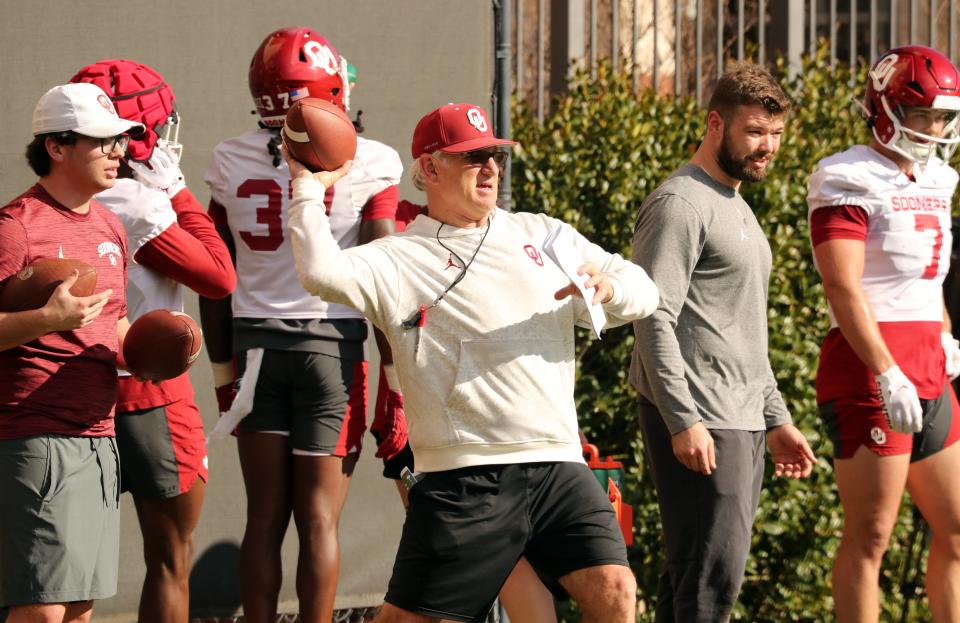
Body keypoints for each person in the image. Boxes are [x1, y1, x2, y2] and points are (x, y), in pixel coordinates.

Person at [285, 101, 660, 623]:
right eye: (471, 157)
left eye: (493, 155)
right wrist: (306, 185)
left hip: (558, 461)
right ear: (429, 169)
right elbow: (319, 272)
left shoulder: (541, 233)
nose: (490, 168)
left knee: (615, 588)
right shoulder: (399, 258)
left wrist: (611, 286)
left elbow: (646, 289)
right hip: (466, 474)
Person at [196, 27, 401, 623]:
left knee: (263, 517)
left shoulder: (229, 157)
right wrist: (395, 373)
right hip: (332, 350)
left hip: (255, 349)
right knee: (319, 520)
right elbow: (384, 264)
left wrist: (221, 373)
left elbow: (216, 275)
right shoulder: (373, 158)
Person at [629, 61, 816, 622]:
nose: (767, 147)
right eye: (755, 132)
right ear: (716, 124)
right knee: (710, 585)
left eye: (776, 135)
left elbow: (743, 329)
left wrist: (776, 418)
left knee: (693, 579)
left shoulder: (736, 206)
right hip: (704, 417)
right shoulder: (681, 204)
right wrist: (683, 419)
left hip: (741, 418)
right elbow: (651, 316)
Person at [70, 59, 237, 623]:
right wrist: (179, 191)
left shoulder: (47, 203)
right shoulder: (139, 204)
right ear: (134, 136)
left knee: (67, 569)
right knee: (169, 559)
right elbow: (219, 276)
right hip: (149, 398)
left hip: (68, 390)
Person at [806, 45, 960, 622]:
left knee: (957, 527)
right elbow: (843, 287)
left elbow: (927, 278)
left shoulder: (940, 177)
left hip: (929, 366)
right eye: (921, 115)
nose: (933, 129)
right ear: (885, 109)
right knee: (871, 536)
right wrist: (887, 369)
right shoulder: (847, 175)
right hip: (871, 367)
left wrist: (944, 334)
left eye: (941, 117)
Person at [0, 83, 144, 623]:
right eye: (102, 141)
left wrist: (151, 350)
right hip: (32, 435)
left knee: (79, 606)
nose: (118, 152)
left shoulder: (110, 224)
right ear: (56, 148)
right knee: (42, 608)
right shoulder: (15, 226)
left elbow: (115, 325)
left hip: (98, 435)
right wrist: (45, 320)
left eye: (121, 141)